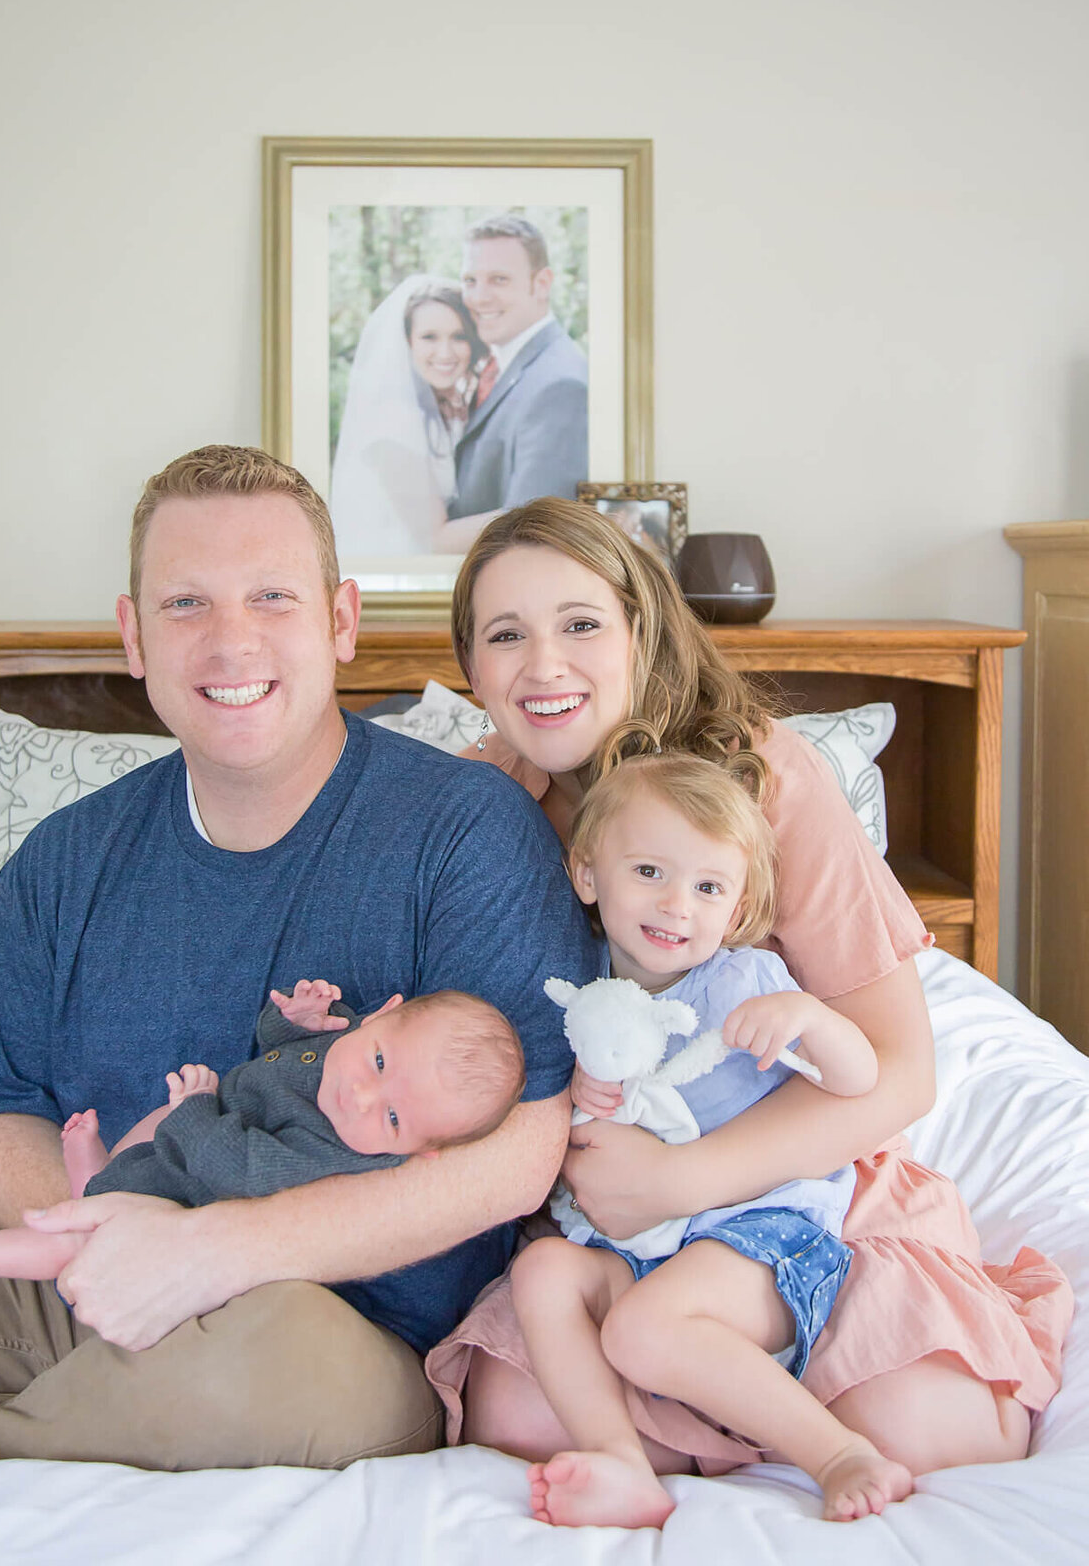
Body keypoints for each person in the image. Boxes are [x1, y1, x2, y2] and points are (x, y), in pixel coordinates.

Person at [0, 446, 603, 1470]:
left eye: (273, 597)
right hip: (77, 1260)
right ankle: (68, 1406)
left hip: (332, 1324)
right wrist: (112, 1238)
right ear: (132, 635)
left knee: (242, 1376)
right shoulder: (64, 859)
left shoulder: (466, 829)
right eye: (186, 604)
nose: (232, 642)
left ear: (341, 621)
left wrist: (204, 1253)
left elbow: (519, 1152)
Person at [426, 496, 1071, 1489]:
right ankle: (686, 1416)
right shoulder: (480, 802)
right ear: (471, 668)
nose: (545, 665)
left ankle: (774, 1408)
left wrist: (683, 1182)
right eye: (506, 635)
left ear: (641, 631)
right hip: (609, 1217)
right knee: (512, 1416)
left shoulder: (762, 776)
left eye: (583, 624)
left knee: (937, 1427)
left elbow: (900, 1071)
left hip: (786, 1187)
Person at [515, 751, 913, 1528]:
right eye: (650, 872)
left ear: (734, 912)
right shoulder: (581, 990)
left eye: (707, 888)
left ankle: (838, 1453)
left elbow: (861, 1080)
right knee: (542, 1274)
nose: (677, 906)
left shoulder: (743, 983)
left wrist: (815, 1024)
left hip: (758, 1232)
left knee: (642, 1330)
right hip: (643, 1244)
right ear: (588, 874)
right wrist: (577, 1100)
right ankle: (621, 1461)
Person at [0, 980, 525, 1283]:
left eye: (392, 1119)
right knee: (140, 1137)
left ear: (423, 1151)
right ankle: (92, 1176)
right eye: (379, 1063)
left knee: (85, 1241)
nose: (361, 1097)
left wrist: (196, 1109)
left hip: (183, 1195)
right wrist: (295, 1020)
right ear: (384, 1014)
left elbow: (242, 1170)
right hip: (184, 1141)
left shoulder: (333, 1155)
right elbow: (280, 1051)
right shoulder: (351, 1042)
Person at [330, 276, 498, 557]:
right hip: (399, 584)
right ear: (408, 343)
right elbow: (435, 540)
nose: (445, 352)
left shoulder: (439, 413)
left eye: (459, 337)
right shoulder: (393, 421)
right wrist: (534, 510)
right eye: (429, 337)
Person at [448, 216, 589, 521]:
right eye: (470, 281)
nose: (479, 297)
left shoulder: (560, 385)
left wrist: (432, 539)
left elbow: (534, 526)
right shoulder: (493, 365)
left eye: (499, 279)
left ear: (541, 284)